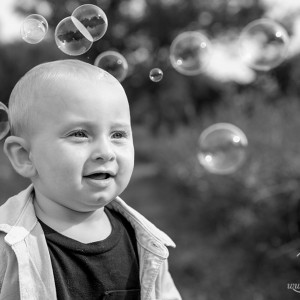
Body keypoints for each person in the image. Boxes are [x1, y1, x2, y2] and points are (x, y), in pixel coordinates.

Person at [0, 59, 182, 300]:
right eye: (79, 134)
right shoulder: (7, 248)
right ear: (25, 156)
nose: (106, 152)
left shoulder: (146, 243)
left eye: (118, 134)